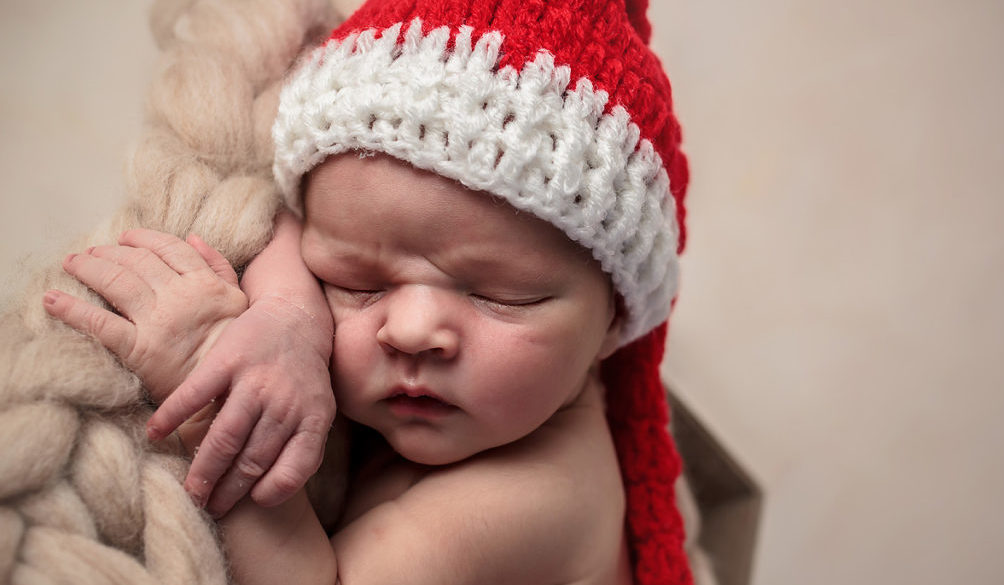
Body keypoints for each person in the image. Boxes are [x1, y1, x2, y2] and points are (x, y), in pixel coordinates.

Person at [44, 0, 692, 583]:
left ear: (615, 320)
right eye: (354, 280)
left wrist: (205, 373)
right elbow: (291, 220)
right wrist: (287, 315)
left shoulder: (537, 495)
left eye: (502, 295)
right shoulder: (501, 399)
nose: (409, 329)